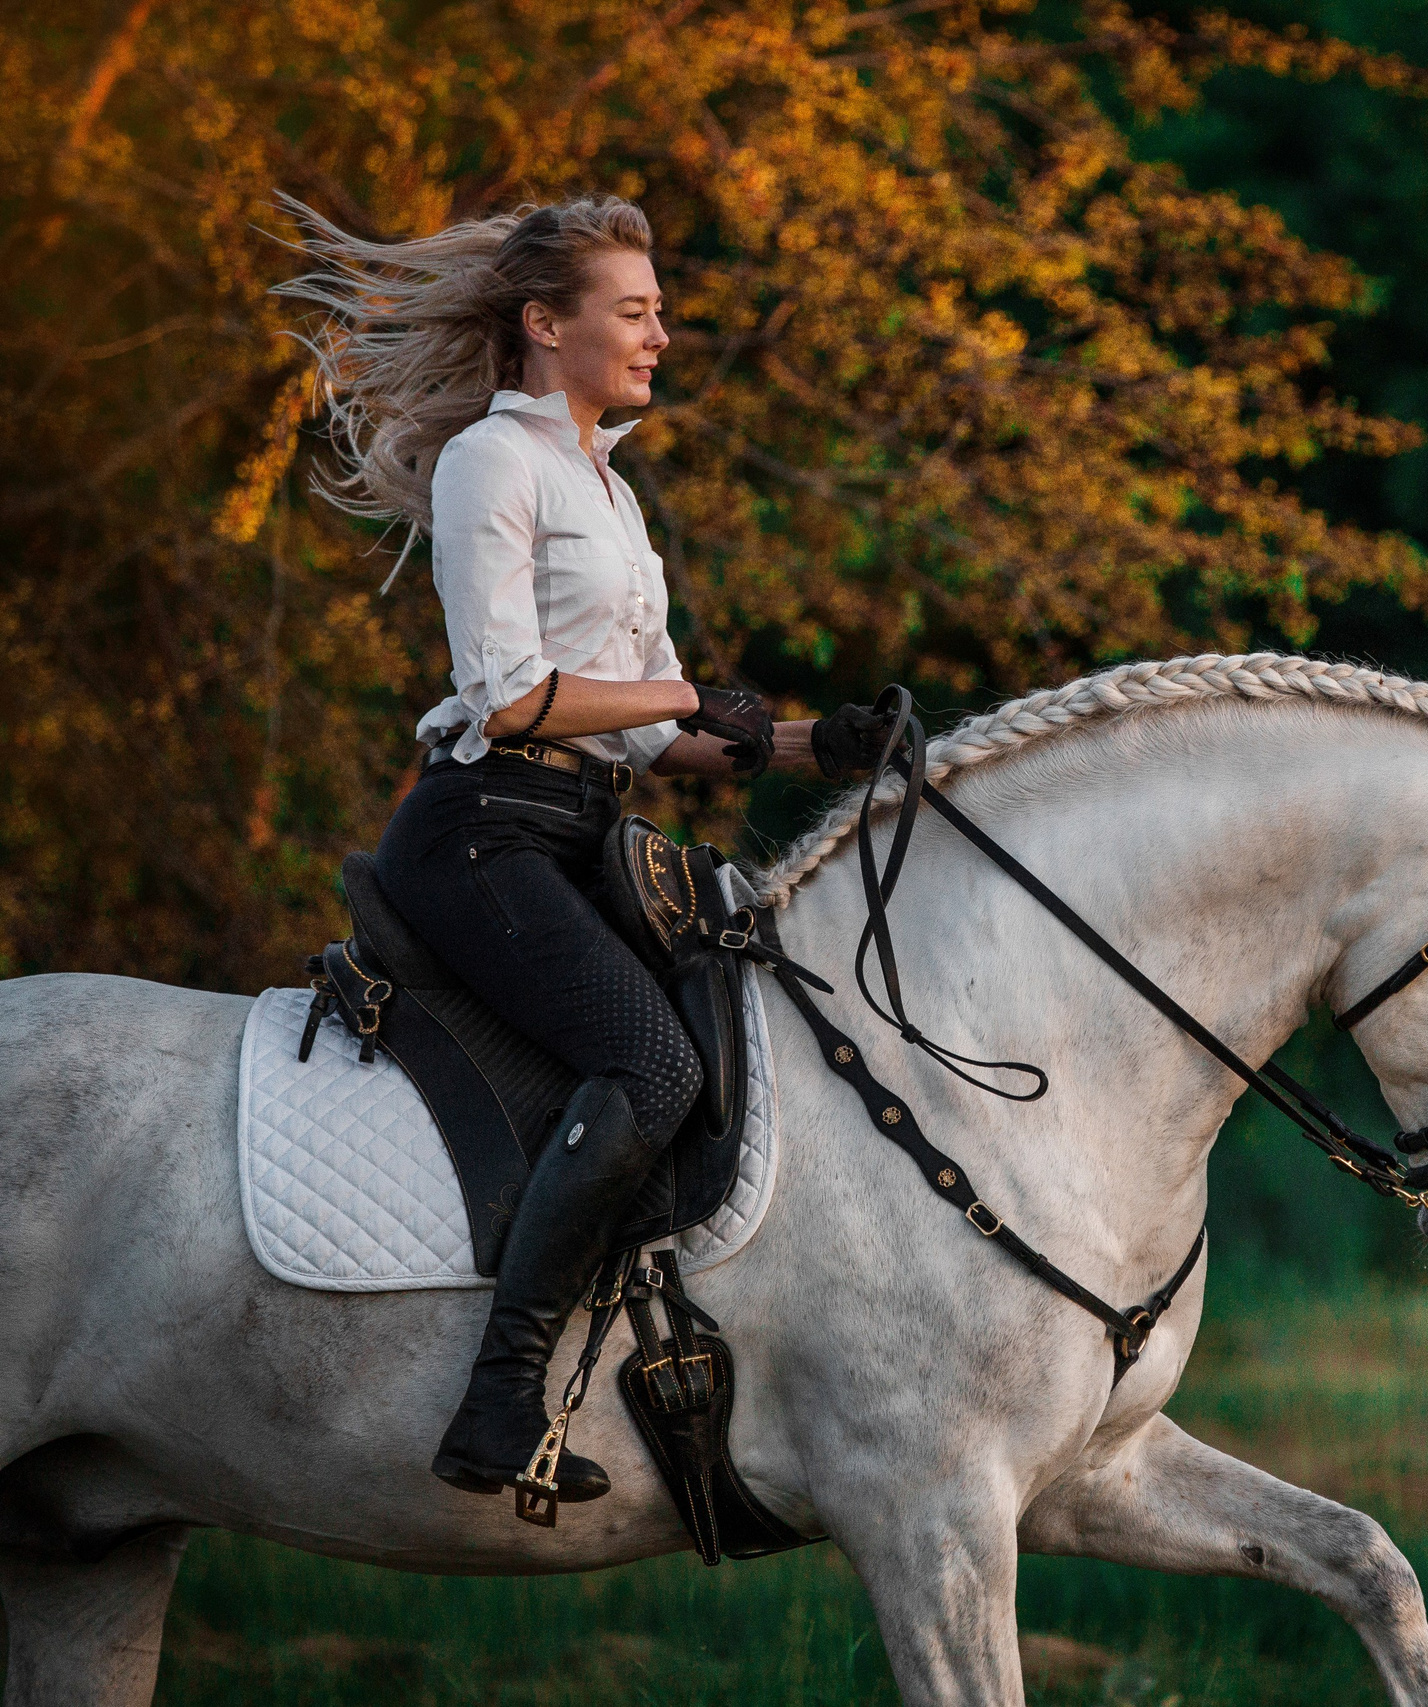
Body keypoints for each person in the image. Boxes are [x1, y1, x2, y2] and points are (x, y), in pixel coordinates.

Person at [276, 194, 883, 1502]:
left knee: (742, 1045)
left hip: (583, 833)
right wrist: (677, 700)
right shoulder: (498, 464)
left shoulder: (608, 487)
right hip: (483, 831)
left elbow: (671, 740)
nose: (662, 332)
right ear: (547, 326)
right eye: (637, 311)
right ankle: (499, 1399)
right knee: (652, 1065)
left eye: (659, 310)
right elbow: (506, 698)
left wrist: (811, 746)